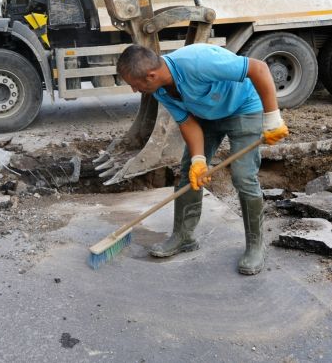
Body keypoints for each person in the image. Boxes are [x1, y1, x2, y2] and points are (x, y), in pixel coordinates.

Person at [115, 43, 289, 275]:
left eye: (134, 85)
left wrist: (272, 118)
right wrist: (198, 159)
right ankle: (183, 237)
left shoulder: (198, 62)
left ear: (151, 75)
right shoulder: (159, 89)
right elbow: (186, 122)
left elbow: (258, 69)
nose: (135, 91)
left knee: (243, 176)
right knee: (190, 173)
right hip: (205, 117)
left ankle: (256, 246)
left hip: (243, 108)